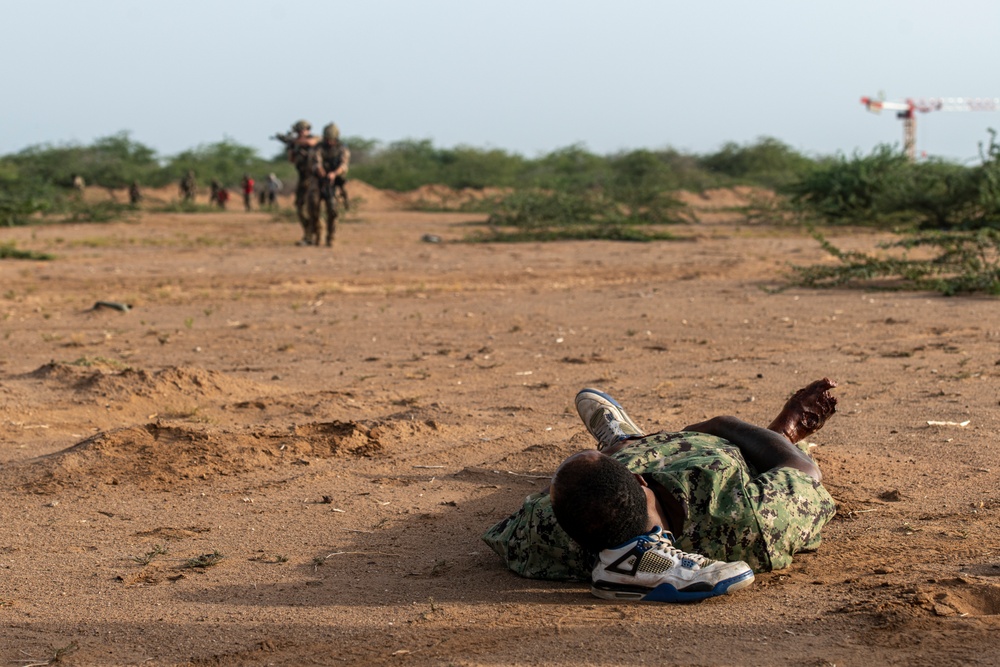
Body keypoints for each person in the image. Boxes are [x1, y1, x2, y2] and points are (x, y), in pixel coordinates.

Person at [482, 378, 838, 603]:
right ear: (637, 480)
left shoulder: (542, 528)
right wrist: (777, 427)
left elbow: (509, 530)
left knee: (592, 469)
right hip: (717, 448)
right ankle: (624, 443)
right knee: (766, 451)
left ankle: (622, 439)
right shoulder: (748, 516)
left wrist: (616, 457)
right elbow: (802, 472)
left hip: (635, 452)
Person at [313, 123, 351, 247]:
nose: (329, 141)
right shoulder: (319, 148)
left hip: (334, 183)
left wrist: (334, 174)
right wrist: (322, 173)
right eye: (327, 138)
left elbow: (344, 165)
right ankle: (318, 235)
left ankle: (331, 237)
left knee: (333, 210)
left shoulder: (342, 148)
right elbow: (316, 163)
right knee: (314, 207)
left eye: (332, 139)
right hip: (319, 181)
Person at [286, 120, 320, 245]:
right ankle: (308, 233)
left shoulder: (316, 139)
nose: (301, 132)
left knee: (314, 208)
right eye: (299, 131)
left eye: (304, 130)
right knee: (300, 208)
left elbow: (311, 142)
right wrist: (292, 148)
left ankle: (315, 234)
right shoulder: (295, 144)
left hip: (316, 179)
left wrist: (295, 141)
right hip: (302, 178)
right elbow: (291, 160)